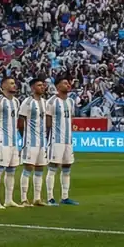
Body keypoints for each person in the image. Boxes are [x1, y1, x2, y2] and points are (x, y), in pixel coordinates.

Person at [17, 78, 50, 207]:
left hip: (42, 142)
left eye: (43, 85)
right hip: (30, 141)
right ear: (32, 88)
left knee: (40, 168)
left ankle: (37, 198)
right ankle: (24, 199)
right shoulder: (27, 102)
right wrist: (25, 137)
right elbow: (20, 123)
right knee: (28, 168)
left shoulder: (45, 102)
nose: (42, 87)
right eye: (39, 85)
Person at [0, 75, 21, 209]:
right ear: (4, 86)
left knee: (11, 171)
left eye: (14, 83)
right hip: (2, 141)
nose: (14, 85)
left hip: (13, 142)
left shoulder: (16, 102)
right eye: (11, 83)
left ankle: (9, 199)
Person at [47, 77, 79, 205]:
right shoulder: (51, 102)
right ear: (58, 86)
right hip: (56, 139)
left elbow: (70, 119)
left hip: (68, 140)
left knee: (67, 167)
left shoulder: (71, 101)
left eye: (68, 83)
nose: (68, 85)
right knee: (53, 167)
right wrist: (48, 139)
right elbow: (48, 122)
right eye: (65, 83)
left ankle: (65, 197)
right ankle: (50, 198)